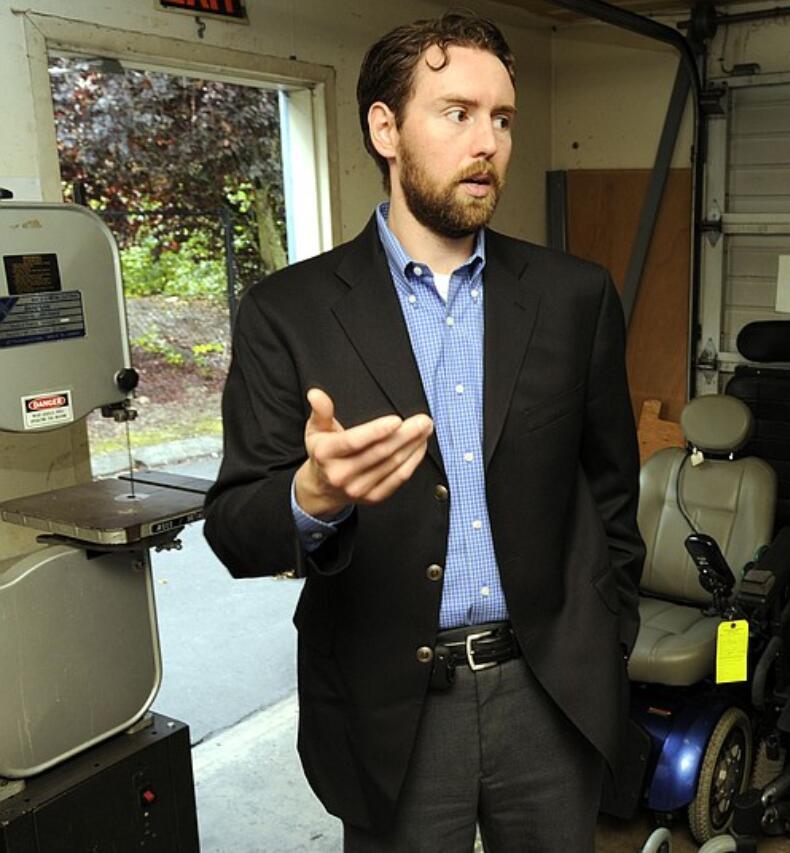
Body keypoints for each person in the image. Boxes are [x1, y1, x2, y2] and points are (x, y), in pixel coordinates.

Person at [203, 13, 644, 853]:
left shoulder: (574, 297)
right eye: (457, 112)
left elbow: (611, 490)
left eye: (503, 118)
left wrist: (607, 632)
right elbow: (233, 526)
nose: (488, 142)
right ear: (385, 127)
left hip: (549, 691)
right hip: (389, 704)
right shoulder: (287, 314)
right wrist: (311, 497)